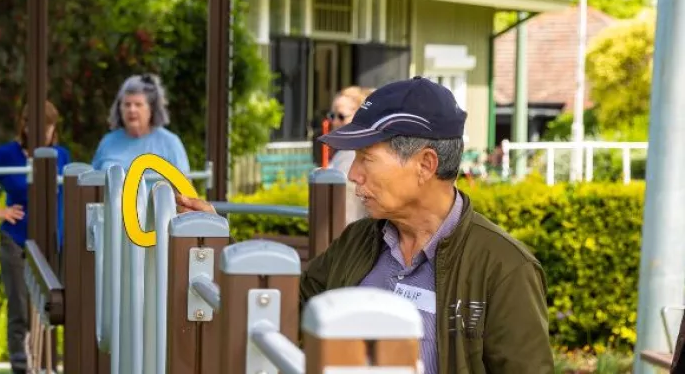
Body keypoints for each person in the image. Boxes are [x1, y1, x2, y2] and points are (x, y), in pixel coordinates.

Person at [176, 77, 552, 373]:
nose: (353, 174)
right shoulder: (360, 239)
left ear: (425, 164)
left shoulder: (506, 269)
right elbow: (285, 312)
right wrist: (222, 246)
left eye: (366, 158)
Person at [0, 102, 71, 374]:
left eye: (48, 126)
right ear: (25, 125)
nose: (42, 132)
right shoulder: (8, 155)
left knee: (53, 307)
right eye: (36, 126)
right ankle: (22, 367)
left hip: (52, 243)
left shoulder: (61, 156)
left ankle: (48, 365)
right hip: (17, 242)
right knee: (20, 308)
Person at [91, 74, 190, 172]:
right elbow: (92, 183)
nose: (132, 110)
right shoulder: (108, 142)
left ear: (151, 109)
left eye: (138, 105)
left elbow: (184, 186)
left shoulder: (170, 143)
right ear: (119, 109)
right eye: (127, 104)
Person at [325, 86, 373, 223]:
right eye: (332, 116)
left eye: (341, 116)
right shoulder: (343, 152)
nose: (334, 122)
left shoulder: (352, 154)